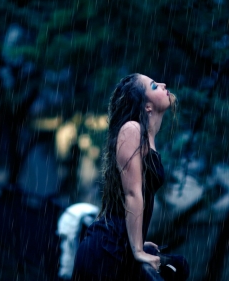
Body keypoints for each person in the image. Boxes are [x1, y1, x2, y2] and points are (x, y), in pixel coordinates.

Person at [71, 73, 187, 281]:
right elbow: (132, 193)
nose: (163, 84)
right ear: (146, 106)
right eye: (154, 86)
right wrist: (138, 250)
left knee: (179, 266)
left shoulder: (148, 137)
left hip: (120, 248)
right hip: (106, 249)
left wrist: (138, 243)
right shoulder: (132, 129)